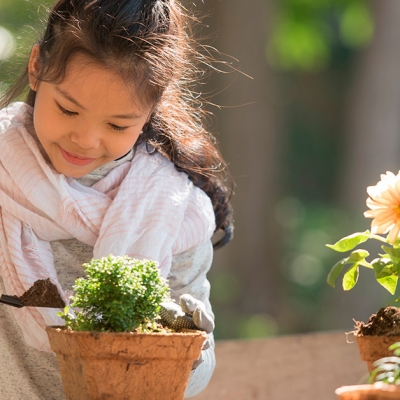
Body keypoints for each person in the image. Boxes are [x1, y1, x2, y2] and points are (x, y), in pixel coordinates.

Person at [0, 0, 234, 398]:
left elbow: (200, 366)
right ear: (37, 67)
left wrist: (180, 346)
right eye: (68, 110)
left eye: (116, 124)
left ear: (151, 109)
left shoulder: (174, 209)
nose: (86, 140)